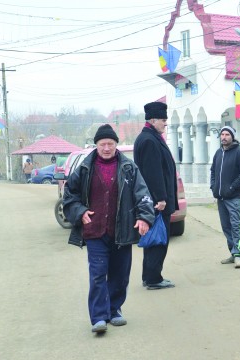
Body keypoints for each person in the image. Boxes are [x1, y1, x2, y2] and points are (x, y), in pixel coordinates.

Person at [62, 124, 155, 334]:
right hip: (95, 231)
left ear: (116, 145)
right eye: (102, 144)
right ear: (96, 145)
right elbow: (69, 196)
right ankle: (98, 317)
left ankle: (114, 310)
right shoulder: (85, 169)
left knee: (120, 275)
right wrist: (80, 212)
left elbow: (143, 195)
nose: (106, 148)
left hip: (121, 230)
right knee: (97, 274)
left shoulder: (129, 168)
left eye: (110, 144)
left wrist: (144, 219)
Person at [134, 101, 179, 290]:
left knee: (154, 238)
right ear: (153, 120)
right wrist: (160, 198)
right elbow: (153, 173)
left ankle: (150, 276)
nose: (165, 124)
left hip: (154, 200)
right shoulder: (150, 141)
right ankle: (153, 279)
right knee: (159, 239)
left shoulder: (149, 137)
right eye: (163, 120)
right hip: (156, 202)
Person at [210, 126, 240, 269]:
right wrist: (213, 187)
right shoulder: (218, 153)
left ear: (232, 137)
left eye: (227, 134)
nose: (224, 137)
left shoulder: (239, 153)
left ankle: (239, 255)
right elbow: (213, 171)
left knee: (236, 226)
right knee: (226, 227)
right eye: (222, 134)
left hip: (234, 198)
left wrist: (232, 188)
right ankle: (233, 254)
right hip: (221, 198)